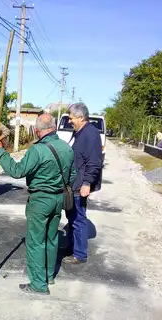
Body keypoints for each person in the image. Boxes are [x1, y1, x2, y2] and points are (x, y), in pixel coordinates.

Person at [0, 113, 75, 295]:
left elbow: (17, 171)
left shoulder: (38, 150)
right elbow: (73, 176)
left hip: (41, 200)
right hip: (58, 199)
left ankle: (38, 285)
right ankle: (49, 276)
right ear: (54, 126)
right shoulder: (66, 147)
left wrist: (0, 152)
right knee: (52, 239)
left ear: (37, 130)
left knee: (36, 242)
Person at [62, 103, 102, 264]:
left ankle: (79, 254)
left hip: (81, 185)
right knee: (72, 217)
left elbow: (94, 162)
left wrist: (87, 183)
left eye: (71, 118)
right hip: (75, 183)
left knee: (78, 219)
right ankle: (73, 247)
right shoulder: (80, 132)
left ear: (81, 117)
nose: (69, 121)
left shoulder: (90, 134)